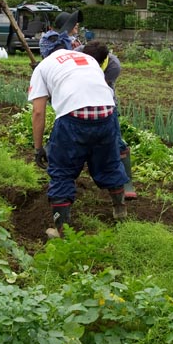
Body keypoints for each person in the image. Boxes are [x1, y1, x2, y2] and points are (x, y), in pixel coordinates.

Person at [29, 30, 128, 239]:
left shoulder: (43, 67)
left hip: (74, 117)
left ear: (44, 52)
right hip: (107, 112)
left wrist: (38, 148)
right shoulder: (86, 58)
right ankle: (120, 210)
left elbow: (38, 112)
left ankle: (62, 230)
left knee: (62, 170)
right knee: (108, 162)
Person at [80, 41, 136, 199]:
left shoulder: (113, 65)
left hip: (105, 103)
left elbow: (102, 89)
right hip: (79, 100)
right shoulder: (79, 52)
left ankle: (126, 182)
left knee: (116, 140)